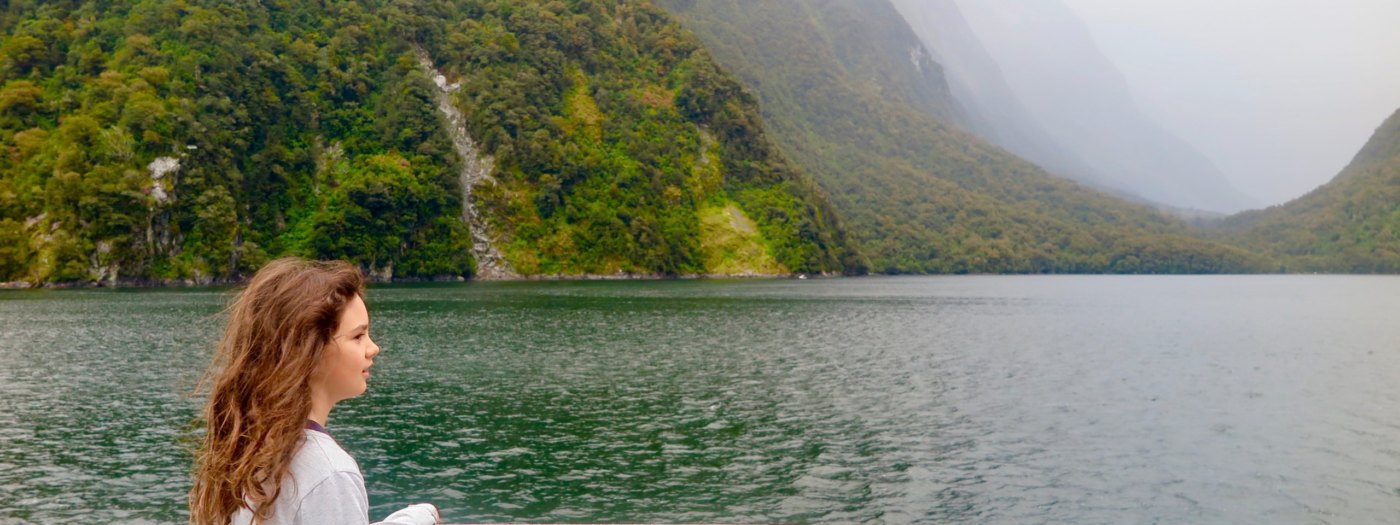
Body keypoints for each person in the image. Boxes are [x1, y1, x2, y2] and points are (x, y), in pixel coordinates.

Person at [188, 258, 440, 525]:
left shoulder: (253, 452)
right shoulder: (329, 473)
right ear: (311, 351)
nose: (373, 347)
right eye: (358, 336)